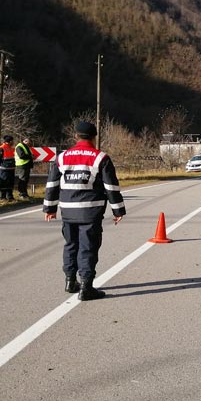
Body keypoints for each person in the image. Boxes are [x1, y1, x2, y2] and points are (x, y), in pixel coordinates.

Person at [44, 121, 126, 301]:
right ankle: (86, 287)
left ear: (76, 136)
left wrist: (49, 208)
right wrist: (118, 210)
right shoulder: (100, 158)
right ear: (94, 137)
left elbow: (52, 184)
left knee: (70, 245)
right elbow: (111, 186)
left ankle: (70, 281)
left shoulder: (62, 157)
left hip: (67, 210)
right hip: (90, 211)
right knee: (88, 247)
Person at [0, 135, 16, 201]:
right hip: (4, 169)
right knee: (4, 183)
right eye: (12, 141)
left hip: (11, 169)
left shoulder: (12, 148)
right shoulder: (2, 148)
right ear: (9, 141)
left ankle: (10, 197)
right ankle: (3, 197)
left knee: (10, 183)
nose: (13, 142)